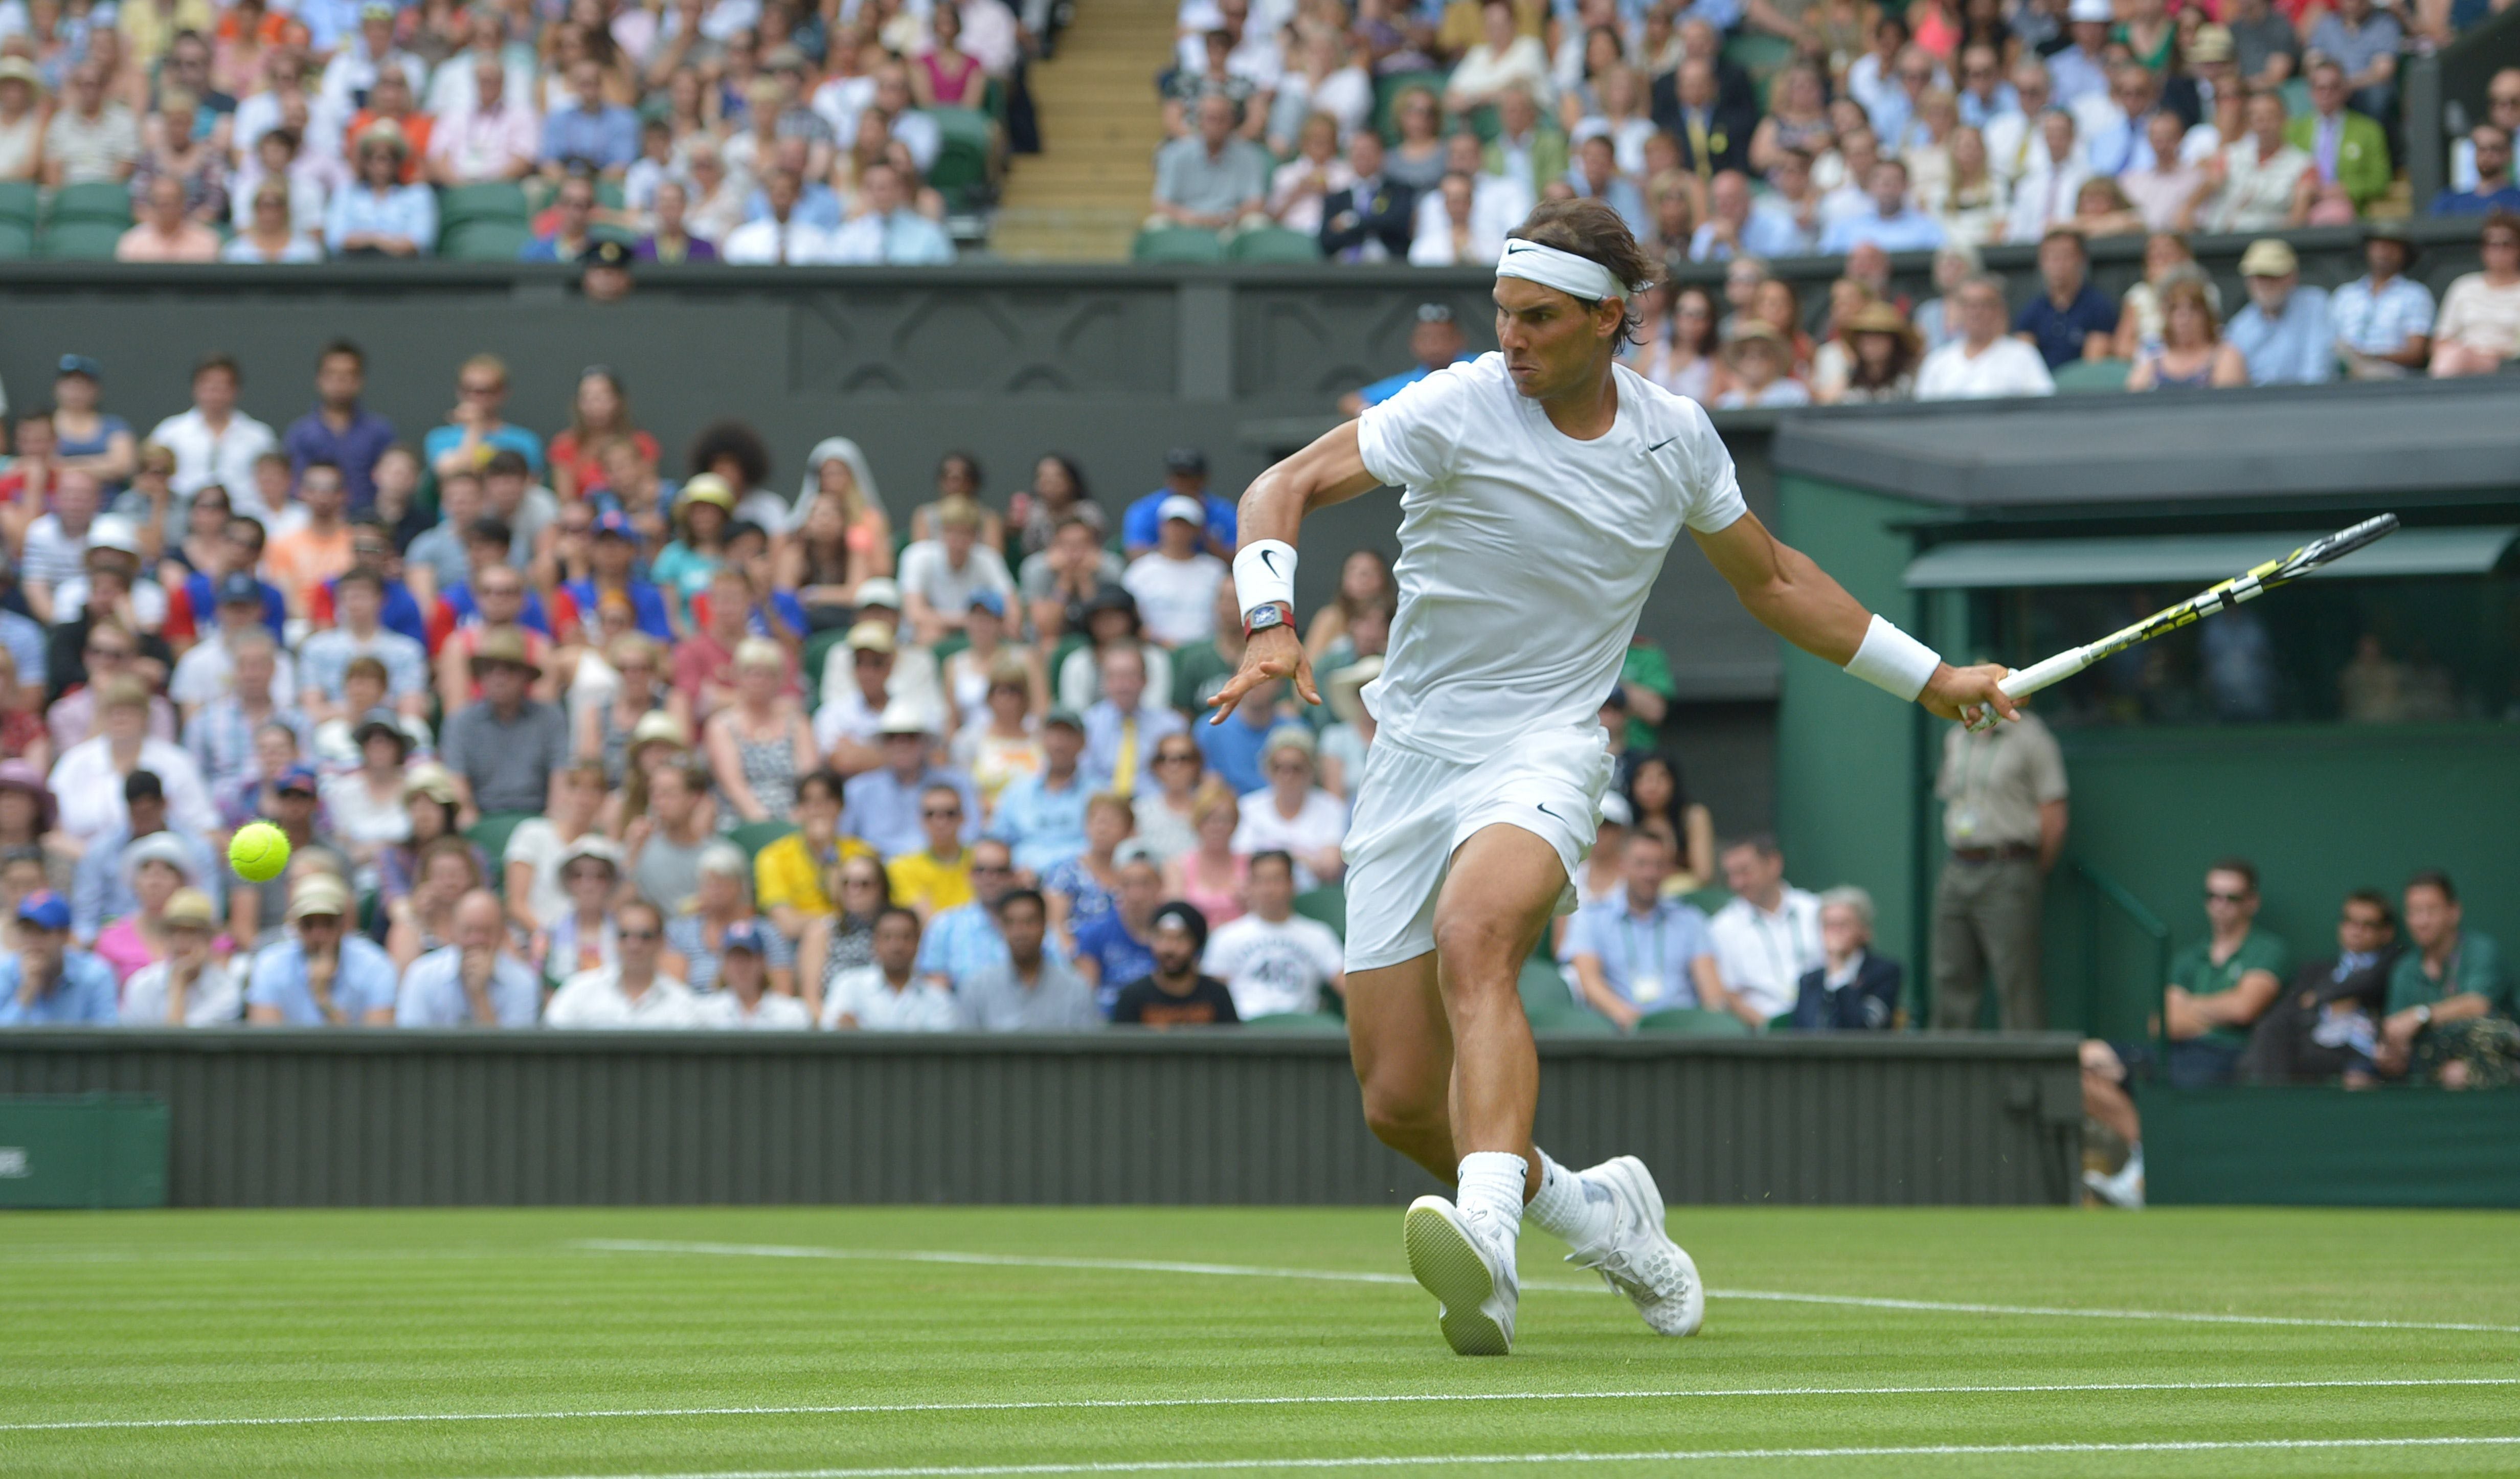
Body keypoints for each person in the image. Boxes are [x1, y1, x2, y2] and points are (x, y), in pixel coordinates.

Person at [1213, 197, 2015, 1354]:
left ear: (1609, 318)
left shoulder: (1675, 438)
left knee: (1475, 935)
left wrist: (1930, 674)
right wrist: (1268, 622)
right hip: (1411, 753)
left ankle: (1488, 1242)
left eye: (1537, 317)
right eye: (1502, 314)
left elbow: (1777, 581)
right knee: (1397, 1100)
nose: (1511, 339)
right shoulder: (1455, 406)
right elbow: (1277, 489)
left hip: (1546, 744)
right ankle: (1599, 1213)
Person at [2080, 857, 2287, 1208]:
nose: (2219, 907)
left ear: (2252, 902)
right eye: (2213, 897)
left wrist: (2192, 1007)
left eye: (2231, 898)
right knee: (2086, 1060)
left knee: (2172, 1084)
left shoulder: (2268, 950)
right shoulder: (2190, 958)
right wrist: (2219, 1009)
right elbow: (2163, 1023)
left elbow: (2246, 1008)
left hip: (2227, 1057)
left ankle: (2145, 1174)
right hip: (2173, 1052)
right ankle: (2147, 1163)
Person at [1930, 697, 2066, 1029]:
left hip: (2008, 866)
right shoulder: (1956, 737)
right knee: (1950, 975)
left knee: (2016, 980)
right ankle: (1950, 1075)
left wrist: (2032, 870)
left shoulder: (2031, 738)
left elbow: (2054, 813)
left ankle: (2023, 1079)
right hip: (1959, 866)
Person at [2237, 889, 2401, 1086]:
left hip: (2361, 1054)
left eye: (2367, 925)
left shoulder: (2393, 967)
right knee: (2272, 1030)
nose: (2356, 931)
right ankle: (2270, 1102)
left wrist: (2320, 997)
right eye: (2350, 921)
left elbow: (2371, 983)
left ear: (2386, 933)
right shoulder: (2316, 972)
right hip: (2315, 1048)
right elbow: (2290, 1012)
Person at [1564, 831, 1724, 1030]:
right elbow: (1590, 983)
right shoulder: (1591, 918)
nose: (1651, 873)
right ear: (1622, 866)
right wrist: (1639, 1024)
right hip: (1619, 1036)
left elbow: (1712, 993)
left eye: (1659, 865)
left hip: (1682, 1035)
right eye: (1641, 864)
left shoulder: (1690, 920)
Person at [2377, 871, 2515, 1089]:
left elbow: (2478, 1004)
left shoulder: (2481, 950)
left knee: (2462, 1068)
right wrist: (2391, 1053)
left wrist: (2421, 1016)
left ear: (2454, 912)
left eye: (2431, 911)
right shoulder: (2404, 969)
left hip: (2497, 1060)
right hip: (2430, 1068)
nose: (2422, 921)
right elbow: (2396, 1031)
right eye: (2414, 912)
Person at [1200, 849, 1346, 1020]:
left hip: (1301, 1031)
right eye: (1261, 881)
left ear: (1292, 884)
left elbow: (1348, 988)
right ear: (1250, 886)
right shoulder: (1226, 937)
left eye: (1277, 880)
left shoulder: (1319, 935)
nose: (1269, 889)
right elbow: (1209, 997)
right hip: (1244, 1030)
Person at [439, 630, 570, 818]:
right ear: (481, 677)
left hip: (537, 819)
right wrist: (471, 824)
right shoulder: (461, 723)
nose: (499, 677)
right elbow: (459, 792)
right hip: (482, 820)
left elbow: (560, 782)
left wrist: (551, 825)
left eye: (510, 669)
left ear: (526, 677)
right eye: (489, 668)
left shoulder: (550, 719)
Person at [246, 876, 399, 1026]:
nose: (318, 934)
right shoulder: (270, 965)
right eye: (309, 924)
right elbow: (267, 1040)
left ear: (343, 924)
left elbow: (376, 1045)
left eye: (328, 923)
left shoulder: (375, 966)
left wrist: (323, 999)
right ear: (296, 926)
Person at [1704, 835, 1822, 1028]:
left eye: (1744, 871)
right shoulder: (1722, 927)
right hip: (1762, 1036)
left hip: (1823, 1027)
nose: (1737, 883)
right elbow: (1728, 996)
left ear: (1774, 864)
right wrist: (1771, 1030)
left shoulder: (1815, 911)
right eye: (1731, 875)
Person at [957, 887, 1101, 1030]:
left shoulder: (1075, 989)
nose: (1021, 932)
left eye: (1030, 922)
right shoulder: (977, 989)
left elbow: (1087, 1049)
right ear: (1001, 928)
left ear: (1045, 925)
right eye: (1011, 923)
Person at [395, 888, 541, 1027]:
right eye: (468, 931)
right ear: (453, 931)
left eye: (486, 931)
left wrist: (479, 994)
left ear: (502, 934)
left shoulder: (523, 981)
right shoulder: (421, 974)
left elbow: (512, 1052)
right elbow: (411, 1047)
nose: (476, 940)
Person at [546, 899, 701, 1027]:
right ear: (614, 940)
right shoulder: (578, 991)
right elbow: (552, 1038)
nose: (633, 945)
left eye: (645, 936)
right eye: (624, 935)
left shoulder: (682, 1002)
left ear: (661, 942)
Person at [1916, 274, 2056, 399]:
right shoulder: (1937, 362)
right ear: (1959, 311)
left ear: (1999, 310)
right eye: (1969, 305)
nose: (1976, 313)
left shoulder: (2023, 355)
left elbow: (2044, 406)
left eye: (1984, 305)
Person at [117, 887, 242, 1025]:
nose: (183, 942)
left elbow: (182, 1044)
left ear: (209, 940)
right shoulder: (140, 985)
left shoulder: (225, 990)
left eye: (193, 933)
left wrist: (178, 983)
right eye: (175, 932)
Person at [821, 906, 958, 1029]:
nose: (897, 946)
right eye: (888, 937)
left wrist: (860, 1031)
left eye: (906, 937)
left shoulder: (937, 998)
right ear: (875, 942)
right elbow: (833, 1032)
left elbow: (937, 1050)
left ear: (918, 942)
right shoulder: (848, 985)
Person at [2224, 237, 2335, 386]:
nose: (2265, 284)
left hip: (2310, 403)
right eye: (2259, 276)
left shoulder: (2314, 305)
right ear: (2248, 280)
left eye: (2273, 275)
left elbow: (2317, 372)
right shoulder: (2240, 325)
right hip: (2255, 406)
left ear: (2292, 277)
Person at [1111, 901, 1240, 1027]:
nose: (1170, 948)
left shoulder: (1217, 995)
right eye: (1162, 937)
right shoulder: (1132, 997)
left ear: (1196, 944)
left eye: (1180, 938)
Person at [1122, 498, 1229, 648]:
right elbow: (1130, 617)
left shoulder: (1215, 570)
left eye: (1185, 526)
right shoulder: (1140, 571)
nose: (1178, 531)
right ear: (1161, 527)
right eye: (1173, 524)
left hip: (1208, 652)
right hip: (1155, 651)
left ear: (1198, 530)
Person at [1790, 887, 1902, 1030]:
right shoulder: (1809, 980)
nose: (1835, 933)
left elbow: (1863, 1029)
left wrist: (1838, 973)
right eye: (1828, 925)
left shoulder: (1884, 973)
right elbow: (1799, 1034)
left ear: (1864, 931)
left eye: (1843, 925)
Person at [0, 891, 119, 1024]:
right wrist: (27, 991)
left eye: (42, 931)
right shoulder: (5, 973)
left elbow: (106, 1039)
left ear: (65, 935)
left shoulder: (96, 975)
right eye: (26, 931)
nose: (32, 941)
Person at [2428, 212, 2520, 377]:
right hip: (2462, 363)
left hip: (2510, 369)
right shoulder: (2464, 287)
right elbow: (2441, 339)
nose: (2497, 250)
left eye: (2506, 244)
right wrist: (2468, 355)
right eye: (2491, 244)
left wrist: (2490, 357)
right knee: (2450, 357)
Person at [1340, 304, 1471, 416]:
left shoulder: (1478, 369)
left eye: (1443, 337)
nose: (1434, 346)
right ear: (1413, 344)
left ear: (1460, 340)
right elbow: (1350, 401)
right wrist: (1378, 418)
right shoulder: (1410, 384)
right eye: (1425, 338)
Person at [2012, 229, 2115, 369]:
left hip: (2079, 387)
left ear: (2082, 260)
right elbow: (2022, 361)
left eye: (2066, 255)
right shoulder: (2032, 310)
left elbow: (2093, 368)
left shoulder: (2099, 307)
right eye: (2050, 256)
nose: (2057, 263)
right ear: (2041, 262)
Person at [2124, 277, 2251, 390]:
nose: (2184, 318)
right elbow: (2134, 400)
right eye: (2175, 309)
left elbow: (2229, 409)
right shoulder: (2153, 355)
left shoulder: (2225, 355)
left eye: (2193, 309)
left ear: (2207, 315)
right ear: (2166, 315)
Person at [694, 921, 812, 1029]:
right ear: (724, 964)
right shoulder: (704, 1014)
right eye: (734, 959)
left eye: (747, 958)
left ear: (761, 962)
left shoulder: (791, 1013)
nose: (740, 967)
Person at [2432, 125, 2520, 216]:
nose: (2487, 155)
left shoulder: (2517, 200)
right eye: (2481, 149)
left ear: (2509, 153)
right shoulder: (2448, 202)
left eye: (2495, 149)